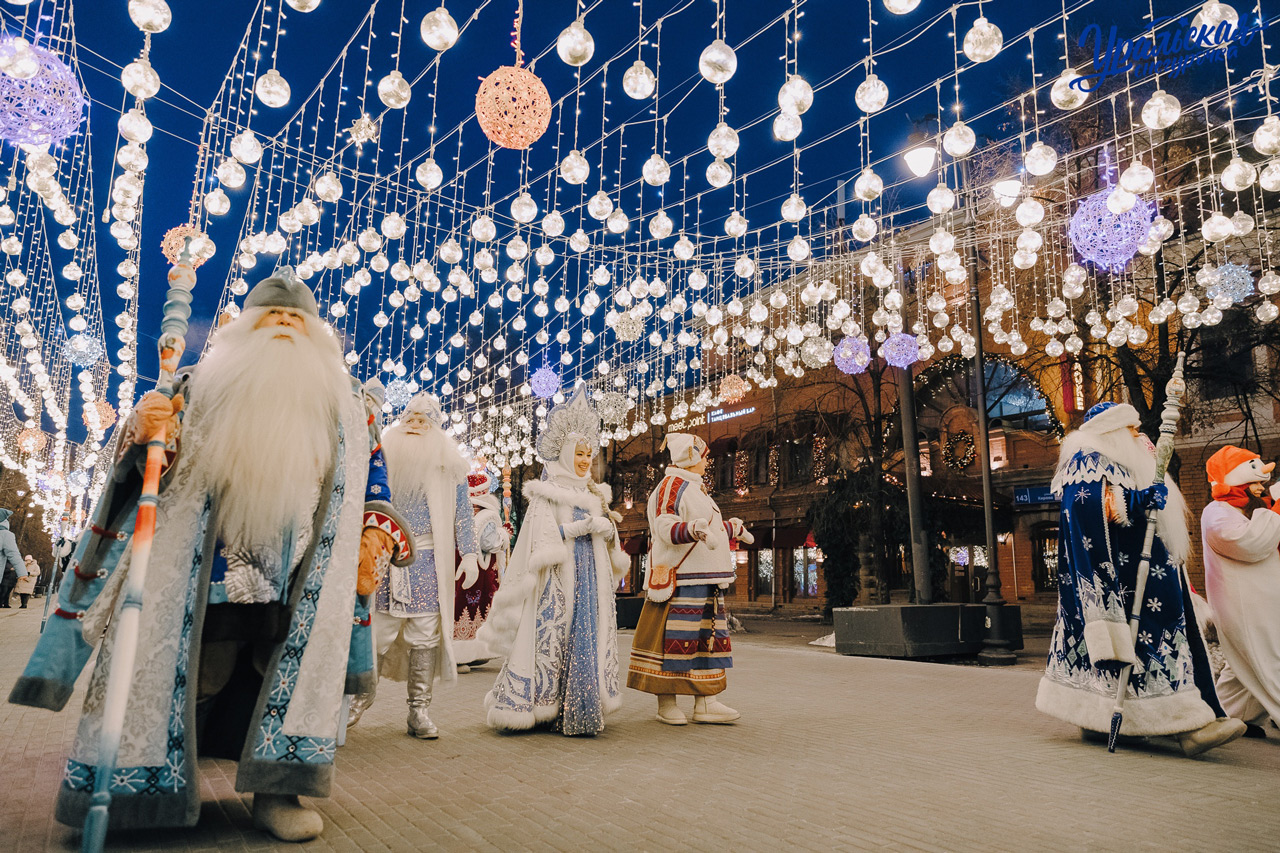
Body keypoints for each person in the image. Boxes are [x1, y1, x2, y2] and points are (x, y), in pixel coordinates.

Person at [8, 268, 412, 842]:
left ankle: (279, 789)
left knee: (281, 680)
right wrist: (147, 431)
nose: (284, 326)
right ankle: (151, 786)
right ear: (244, 326)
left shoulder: (354, 408)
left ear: (318, 333)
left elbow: (375, 485)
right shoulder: (197, 388)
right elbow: (156, 467)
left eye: (296, 319)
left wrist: (375, 537)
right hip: (204, 569)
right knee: (200, 675)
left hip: (304, 574)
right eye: (272, 316)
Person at [1036, 402, 1245, 756]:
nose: (1138, 434)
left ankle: (1106, 720)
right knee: (1151, 639)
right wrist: (1134, 501)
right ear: (1113, 430)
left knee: (1168, 635)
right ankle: (1186, 726)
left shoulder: (1125, 458)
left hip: (1148, 570)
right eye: (1130, 428)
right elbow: (1088, 509)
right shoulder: (1087, 458)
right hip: (1126, 578)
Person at [479, 386, 629, 735]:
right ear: (564, 453)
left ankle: (576, 703)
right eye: (578, 454)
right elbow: (537, 538)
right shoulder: (545, 494)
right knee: (552, 637)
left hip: (591, 578)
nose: (584, 461)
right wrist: (577, 527)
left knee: (586, 633)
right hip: (558, 581)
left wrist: (607, 530)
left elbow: (609, 539)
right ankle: (541, 703)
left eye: (588, 455)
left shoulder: (593, 492)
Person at [346, 391, 481, 739]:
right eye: (410, 419)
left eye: (424, 421)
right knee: (376, 632)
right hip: (385, 562)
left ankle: (419, 710)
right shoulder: (383, 462)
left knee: (425, 636)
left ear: (435, 427)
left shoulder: (449, 468)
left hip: (428, 565)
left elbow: (463, 514)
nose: (416, 425)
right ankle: (357, 699)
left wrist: (469, 553)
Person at [627, 432, 752, 725]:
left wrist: (731, 529)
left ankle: (706, 702)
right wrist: (692, 529)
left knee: (706, 642)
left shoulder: (694, 488)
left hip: (705, 581)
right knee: (673, 642)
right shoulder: (671, 486)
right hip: (680, 581)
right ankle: (666, 703)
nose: (708, 462)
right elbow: (664, 527)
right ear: (691, 457)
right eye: (705, 456)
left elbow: (706, 527)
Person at [1200, 445, 1280, 736]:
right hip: (1245, 607)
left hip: (1254, 604)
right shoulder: (1217, 513)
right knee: (1269, 658)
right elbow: (1249, 543)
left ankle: (1230, 715)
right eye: (1256, 483)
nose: (1261, 489)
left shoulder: (1235, 512)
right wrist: (1275, 511)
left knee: (1244, 665)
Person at [452, 469, 509, 670]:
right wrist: (504, 535)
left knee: (463, 608)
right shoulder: (488, 516)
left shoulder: (459, 514)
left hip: (461, 569)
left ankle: (468, 653)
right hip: (480, 574)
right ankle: (463, 655)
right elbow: (489, 542)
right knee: (472, 610)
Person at [0, 509, 24, 608]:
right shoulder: (6, 535)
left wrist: (21, 572)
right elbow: (14, 554)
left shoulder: (5, 535)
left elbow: (14, 554)